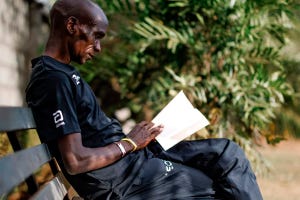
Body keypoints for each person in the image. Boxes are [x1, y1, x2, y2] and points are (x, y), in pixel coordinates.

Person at [25, 0, 263, 199]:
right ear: (72, 25)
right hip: (124, 180)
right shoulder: (52, 79)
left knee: (226, 154)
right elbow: (75, 160)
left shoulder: (61, 73)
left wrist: (136, 140)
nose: (97, 47)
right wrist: (128, 144)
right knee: (218, 182)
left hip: (133, 162)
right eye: (95, 36)